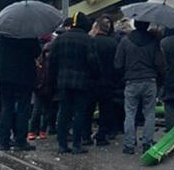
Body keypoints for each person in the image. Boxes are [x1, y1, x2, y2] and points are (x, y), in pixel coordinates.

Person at [49, 12, 99, 154]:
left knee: (63, 113)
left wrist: (55, 79)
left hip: (63, 82)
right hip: (82, 83)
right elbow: (93, 63)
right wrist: (94, 77)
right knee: (79, 113)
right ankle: (77, 144)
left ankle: (62, 144)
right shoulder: (88, 40)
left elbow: (52, 61)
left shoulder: (60, 39)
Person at [115, 20, 166, 154]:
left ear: (135, 25)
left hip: (131, 81)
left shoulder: (125, 41)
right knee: (149, 113)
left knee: (130, 113)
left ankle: (129, 144)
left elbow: (118, 64)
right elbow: (160, 63)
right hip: (150, 80)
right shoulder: (154, 42)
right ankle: (147, 143)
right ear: (147, 25)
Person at [0, 35, 41, 151]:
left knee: (6, 108)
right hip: (24, 77)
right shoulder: (29, 35)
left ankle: (3, 141)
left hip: (6, 77)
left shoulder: (5, 36)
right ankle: (20, 140)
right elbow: (36, 52)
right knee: (23, 110)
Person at [88, 16, 120, 146]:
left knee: (88, 109)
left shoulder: (91, 42)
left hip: (92, 81)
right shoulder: (113, 43)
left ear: (97, 28)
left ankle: (86, 134)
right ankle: (102, 135)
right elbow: (117, 64)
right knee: (106, 110)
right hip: (108, 82)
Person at [28, 34, 57, 141]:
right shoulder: (43, 64)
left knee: (44, 111)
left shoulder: (42, 63)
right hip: (42, 89)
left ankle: (40, 130)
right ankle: (35, 130)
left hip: (45, 89)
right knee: (39, 110)